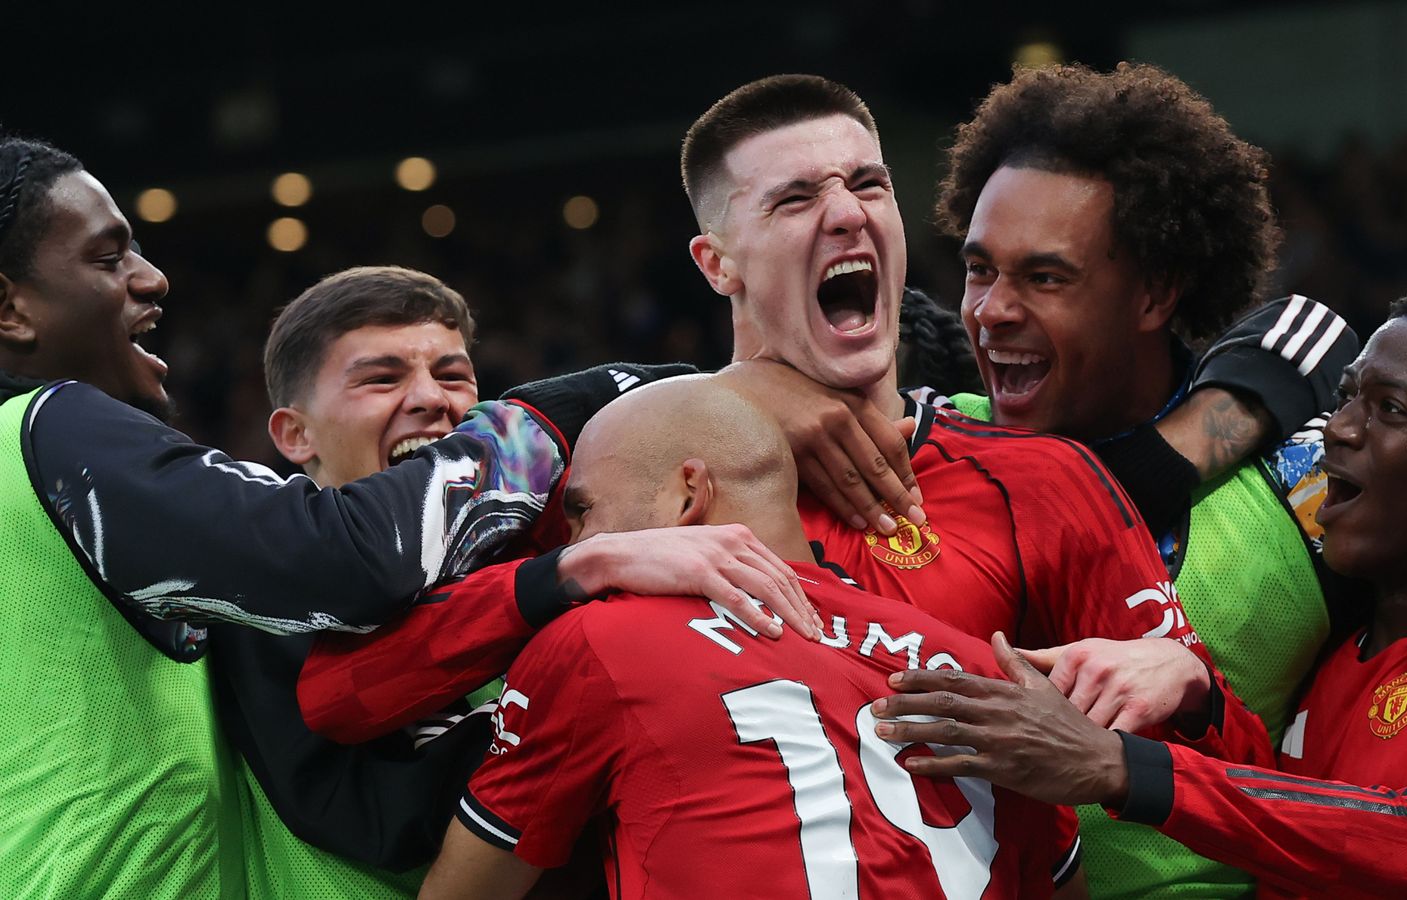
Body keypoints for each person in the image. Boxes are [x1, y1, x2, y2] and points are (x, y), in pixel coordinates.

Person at [301, 76, 1271, 774]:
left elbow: (1242, 765)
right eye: (796, 198)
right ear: (715, 264)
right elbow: (343, 699)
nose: (845, 214)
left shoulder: (1036, 475)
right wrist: (576, 570)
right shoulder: (622, 470)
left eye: (869, 184)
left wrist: (1187, 681)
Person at [0, 138, 808, 898]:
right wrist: (568, 419)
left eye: (457, 374)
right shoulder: (49, 426)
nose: (151, 278)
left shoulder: (535, 551)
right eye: (108, 257)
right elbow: (340, 563)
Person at [927, 63, 1407, 898]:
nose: (992, 309)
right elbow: (1305, 810)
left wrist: (1120, 766)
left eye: (1046, 275)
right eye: (979, 270)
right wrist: (1200, 696)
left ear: (1155, 293)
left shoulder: (1304, 496)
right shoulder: (915, 440)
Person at [876, 285, 1407, 898]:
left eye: (1392, 410)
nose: (1338, 432)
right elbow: (1287, 819)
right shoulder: (1342, 657)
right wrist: (1197, 698)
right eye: (1347, 399)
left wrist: (1120, 767)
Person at [221, 266, 821, 897]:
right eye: (382, 378)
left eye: (453, 375)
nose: (432, 398)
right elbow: (379, 812)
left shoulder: (540, 527)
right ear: (296, 434)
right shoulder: (269, 588)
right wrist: (575, 666)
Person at [420, 376, 1082, 899]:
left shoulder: (599, 640)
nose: (579, 547)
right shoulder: (986, 672)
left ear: (688, 496)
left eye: (583, 514)